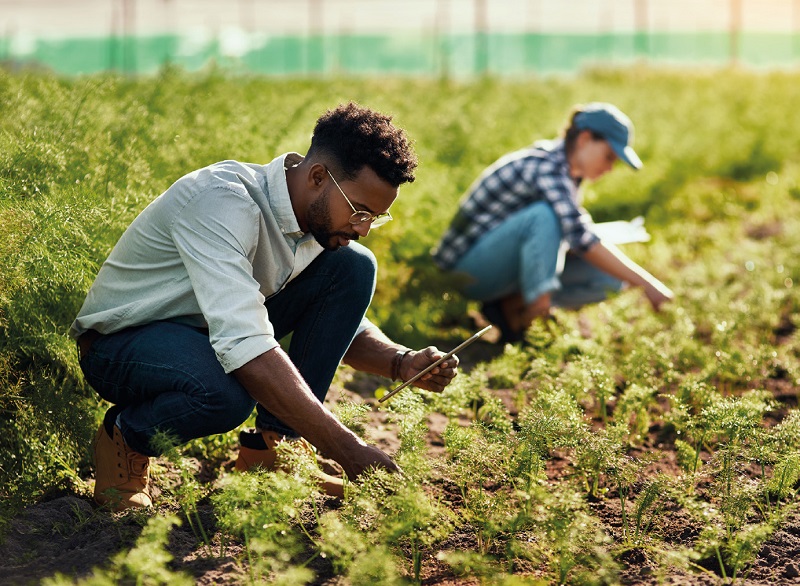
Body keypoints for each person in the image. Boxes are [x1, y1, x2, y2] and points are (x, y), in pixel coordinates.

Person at [70, 102, 459, 511]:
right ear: (317, 177)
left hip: (204, 334)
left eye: (375, 218)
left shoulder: (313, 218)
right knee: (224, 394)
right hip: (124, 344)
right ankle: (125, 436)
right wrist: (347, 449)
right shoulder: (223, 202)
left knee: (352, 267)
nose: (363, 228)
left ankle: (273, 453)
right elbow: (245, 345)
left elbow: (336, 326)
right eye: (360, 211)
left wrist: (401, 362)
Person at [432, 102, 674, 344]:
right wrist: (649, 285)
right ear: (584, 139)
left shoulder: (569, 175)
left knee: (609, 278)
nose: (610, 167)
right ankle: (535, 318)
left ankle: (510, 309)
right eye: (609, 156)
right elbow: (580, 237)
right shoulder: (547, 167)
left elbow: (572, 237)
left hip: (498, 268)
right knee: (543, 216)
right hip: (465, 273)